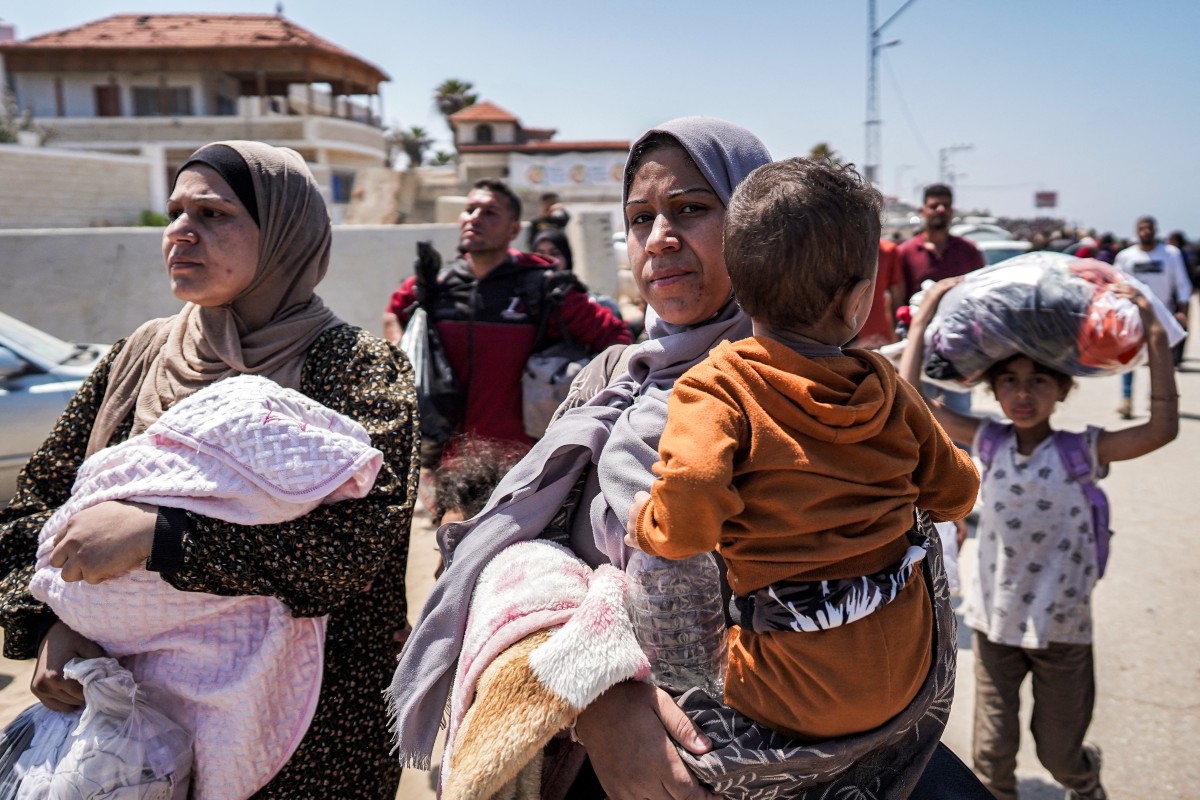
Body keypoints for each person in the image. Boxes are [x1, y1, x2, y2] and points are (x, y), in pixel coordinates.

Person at [392, 117, 990, 800]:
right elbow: (536, 553)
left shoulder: (849, 389)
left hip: (824, 759)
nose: (660, 238)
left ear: (759, 229)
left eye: (692, 209)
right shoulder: (610, 379)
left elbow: (900, 573)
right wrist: (603, 702)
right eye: (640, 218)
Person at [0, 141, 420, 799]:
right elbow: (36, 506)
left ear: (285, 233)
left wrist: (157, 537)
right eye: (175, 211)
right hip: (130, 735)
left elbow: (358, 550)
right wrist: (54, 619)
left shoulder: (353, 369)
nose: (182, 232)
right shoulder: (137, 358)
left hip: (309, 739)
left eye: (215, 214)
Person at [624, 156, 979, 742]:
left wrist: (646, 521)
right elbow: (959, 493)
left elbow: (686, 516)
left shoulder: (714, 388)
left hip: (788, 694)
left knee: (677, 677)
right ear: (859, 301)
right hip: (909, 670)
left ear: (739, 282)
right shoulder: (886, 386)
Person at [900, 277, 1179, 800]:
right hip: (994, 626)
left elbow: (1161, 428)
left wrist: (1156, 332)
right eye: (1009, 381)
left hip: (1062, 630)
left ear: (1064, 388)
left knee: (1060, 754)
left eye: (1038, 382)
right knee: (991, 759)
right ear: (994, 389)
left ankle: (1085, 781)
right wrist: (925, 317)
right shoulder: (988, 440)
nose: (1023, 394)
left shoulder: (1083, 452)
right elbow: (913, 402)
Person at [382, 179, 631, 456]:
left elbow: (617, 340)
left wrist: (578, 396)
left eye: (489, 212)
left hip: (524, 465)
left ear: (513, 229)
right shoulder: (436, 284)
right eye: (470, 210)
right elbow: (393, 312)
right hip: (445, 462)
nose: (474, 219)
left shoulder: (543, 288)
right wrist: (405, 363)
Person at [1114, 215, 1192, 415]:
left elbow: (1182, 284)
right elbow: (1115, 284)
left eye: (1149, 228)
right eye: (1142, 228)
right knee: (1128, 359)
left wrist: (1183, 312)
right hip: (1131, 314)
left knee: (1158, 359)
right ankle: (1126, 399)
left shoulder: (1170, 254)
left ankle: (1153, 398)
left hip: (1160, 314)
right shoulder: (1126, 256)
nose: (1145, 232)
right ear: (1136, 231)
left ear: (1155, 230)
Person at [855, 236, 904, 347]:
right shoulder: (840, 249)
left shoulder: (888, 250)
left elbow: (896, 297)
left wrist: (898, 334)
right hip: (847, 337)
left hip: (883, 337)